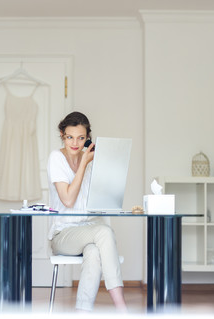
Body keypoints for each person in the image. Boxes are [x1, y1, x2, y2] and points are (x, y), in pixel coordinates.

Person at [47, 111, 127, 312]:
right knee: (104, 232)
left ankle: (82, 312)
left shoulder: (92, 161)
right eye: (70, 137)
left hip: (89, 231)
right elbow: (68, 199)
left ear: (87, 138)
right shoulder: (56, 158)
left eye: (81, 138)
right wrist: (83, 163)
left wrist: (105, 166)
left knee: (93, 251)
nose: (75, 143)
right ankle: (122, 309)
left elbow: (104, 199)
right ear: (62, 135)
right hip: (63, 235)